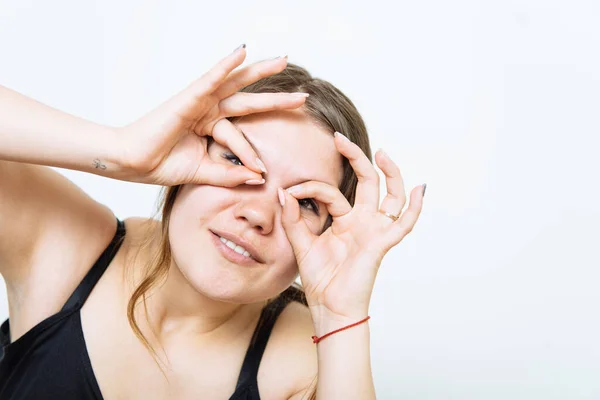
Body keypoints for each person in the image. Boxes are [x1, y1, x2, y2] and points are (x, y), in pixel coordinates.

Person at [0, 44, 426, 399]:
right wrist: (122, 150)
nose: (258, 215)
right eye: (237, 159)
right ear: (186, 153)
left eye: (307, 202)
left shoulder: (306, 359)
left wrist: (339, 318)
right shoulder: (65, 246)